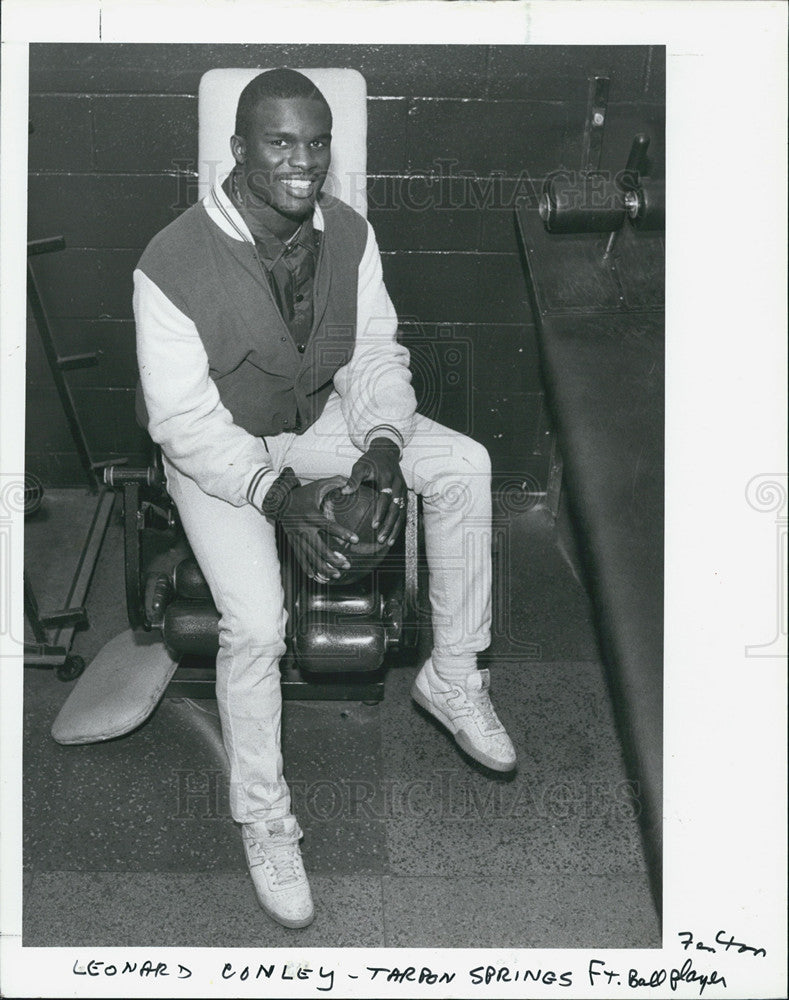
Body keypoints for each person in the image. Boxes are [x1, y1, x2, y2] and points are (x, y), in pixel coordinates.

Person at [134, 68, 516, 929]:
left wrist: (380, 443)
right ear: (236, 150)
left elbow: (374, 346)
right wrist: (282, 499)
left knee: (462, 465)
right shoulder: (169, 262)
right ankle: (266, 820)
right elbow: (182, 422)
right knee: (257, 629)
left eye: (316, 143)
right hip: (222, 453)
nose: (302, 162)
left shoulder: (347, 231)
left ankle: (454, 676)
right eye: (279, 142)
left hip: (319, 419)